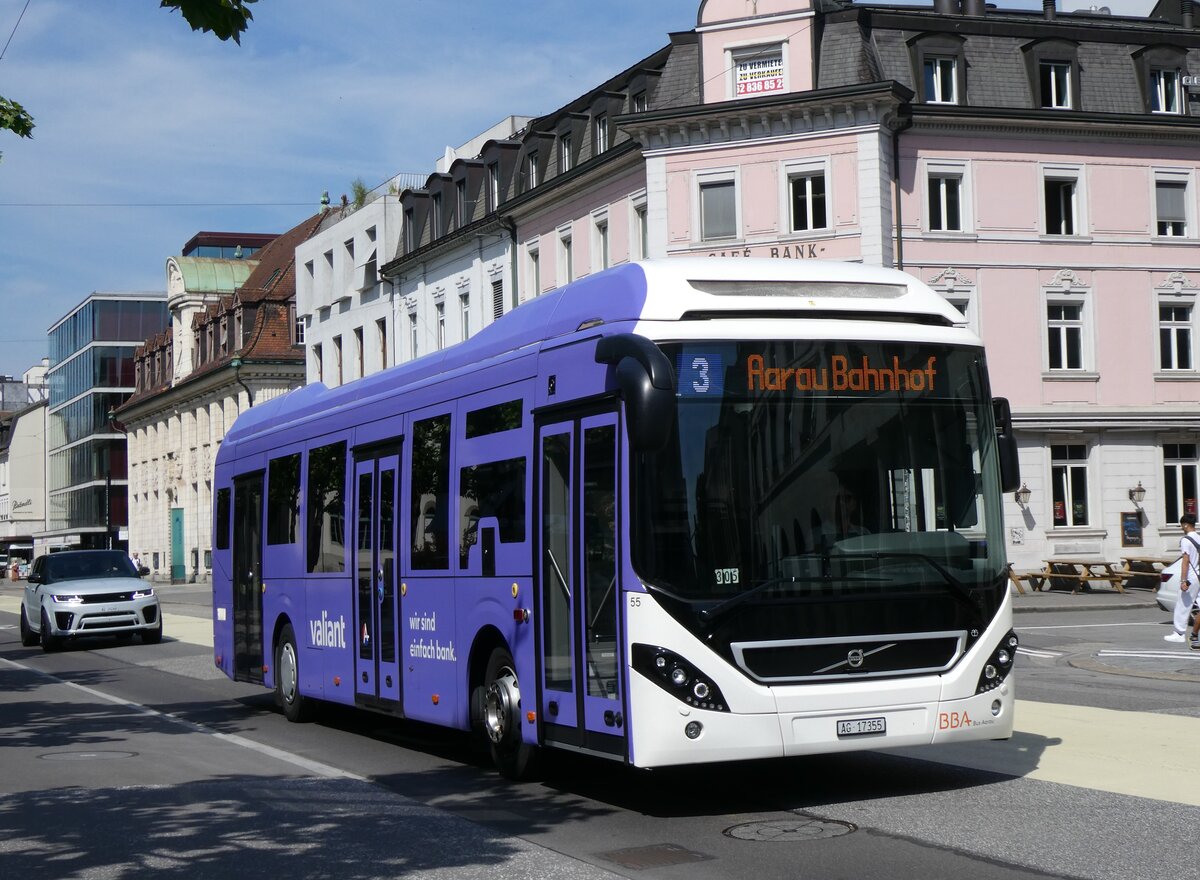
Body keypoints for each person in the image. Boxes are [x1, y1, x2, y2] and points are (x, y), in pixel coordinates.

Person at [1166, 514, 1200, 644]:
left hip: (1191, 577)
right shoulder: (1199, 538)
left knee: (1183, 604)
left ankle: (1179, 633)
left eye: (1182, 525)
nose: (1182, 528)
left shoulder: (1186, 540)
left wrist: (1183, 580)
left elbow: (1185, 561)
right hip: (1199, 575)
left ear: (1185, 524)